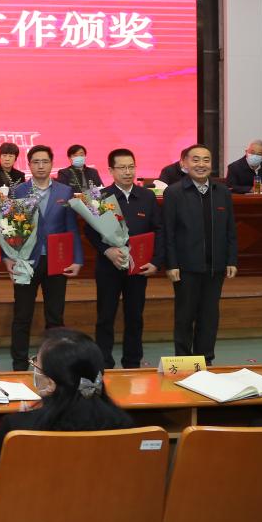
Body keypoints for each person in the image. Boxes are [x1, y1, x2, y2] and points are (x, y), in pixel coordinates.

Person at [0, 328, 134, 491]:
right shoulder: (124, 424)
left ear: (51, 384)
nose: (34, 367)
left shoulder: (17, 429)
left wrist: (25, 421)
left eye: (36, 363)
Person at [6, 145, 83, 371]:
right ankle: (19, 365)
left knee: (55, 315)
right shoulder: (18, 192)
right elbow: (8, 228)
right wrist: (7, 257)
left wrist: (77, 259)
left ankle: (54, 364)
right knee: (22, 315)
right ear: (29, 165)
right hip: (26, 261)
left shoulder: (65, 191)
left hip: (56, 261)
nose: (40, 166)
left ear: (52, 164)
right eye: (36, 162)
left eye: (45, 161)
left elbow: (72, 227)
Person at [85, 149, 163, 369]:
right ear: (111, 170)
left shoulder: (147, 196)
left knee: (135, 317)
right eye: (122, 167)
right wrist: (106, 251)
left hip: (138, 268)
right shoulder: (100, 197)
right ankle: (103, 363)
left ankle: (132, 363)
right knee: (105, 317)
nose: (128, 172)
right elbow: (90, 231)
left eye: (131, 167)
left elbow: (159, 229)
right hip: (108, 267)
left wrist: (156, 261)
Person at [164, 144, 237, 365]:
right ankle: (184, 361)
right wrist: (171, 264)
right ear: (184, 163)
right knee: (185, 317)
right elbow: (168, 232)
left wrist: (231, 259)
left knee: (209, 317)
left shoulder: (222, 192)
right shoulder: (174, 192)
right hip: (186, 268)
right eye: (195, 159)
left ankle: (205, 361)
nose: (201, 164)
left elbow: (230, 229)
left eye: (206, 160)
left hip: (215, 267)